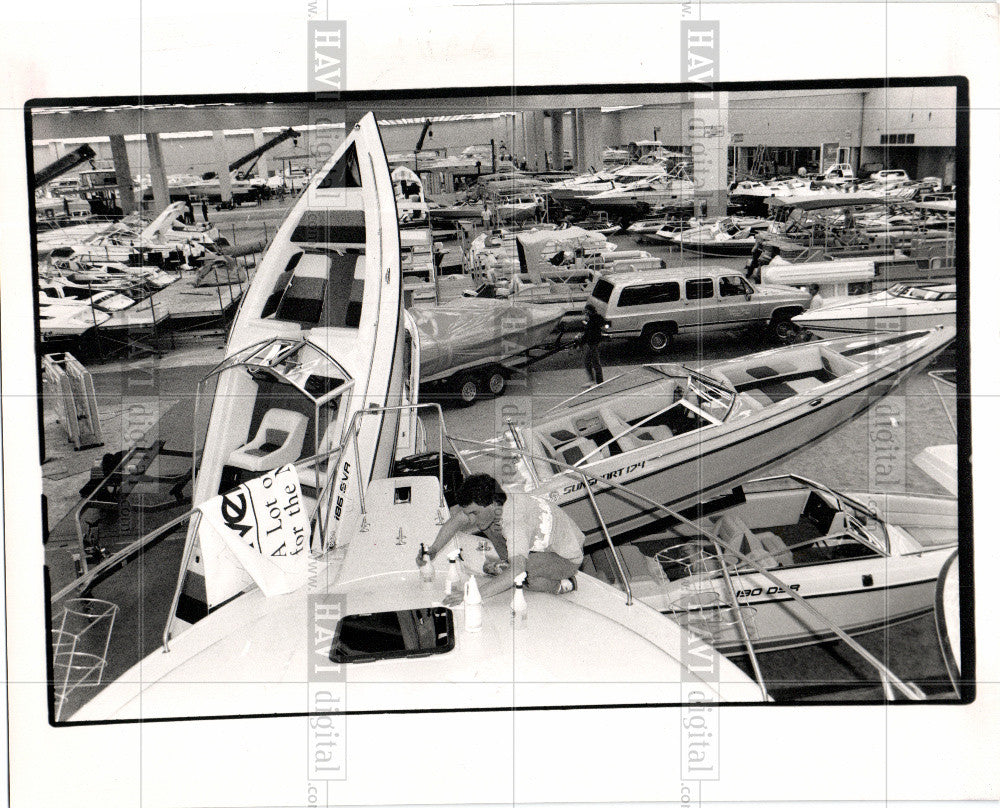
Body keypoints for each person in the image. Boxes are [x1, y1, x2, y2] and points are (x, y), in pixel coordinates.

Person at [417, 473, 585, 605]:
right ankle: (509, 561)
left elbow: (517, 570)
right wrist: (433, 549)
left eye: (474, 513)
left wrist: (471, 594)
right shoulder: (496, 498)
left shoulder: (515, 523)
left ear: (492, 505)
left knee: (526, 574)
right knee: (487, 526)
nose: (470, 519)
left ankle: (565, 584)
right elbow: (457, 520)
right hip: (542, 543)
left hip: (566, 557)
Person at [579, 303, 605, 386]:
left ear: (589, 311)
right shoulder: (594, 319)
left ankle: (596, 381)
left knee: (592, 362)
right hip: (592, 343)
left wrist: (581, 342)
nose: (585, 313)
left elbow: (589, 333)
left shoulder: (594, 320)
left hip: (593, 343)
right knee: (592, 362)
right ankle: (597, 380)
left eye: (586, 311)